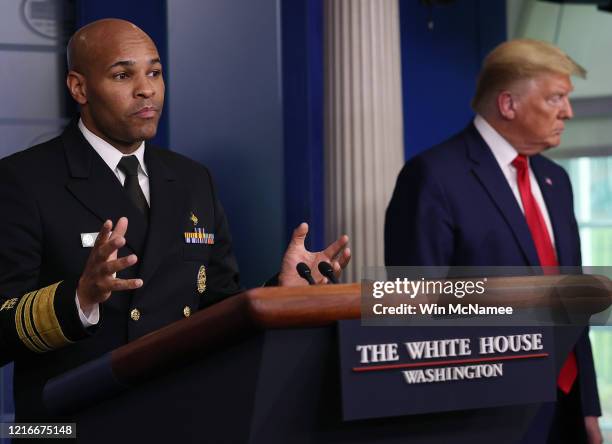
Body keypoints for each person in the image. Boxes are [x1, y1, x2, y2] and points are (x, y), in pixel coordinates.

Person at [0, 18, 350, 419]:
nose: (146, 88)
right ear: (79, 87)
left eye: (155, 72)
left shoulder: (191, 178)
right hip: (76, 425)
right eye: (122, 74)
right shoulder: (23, 180)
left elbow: (216, 309)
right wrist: (79, 300)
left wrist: (280, 291)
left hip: (179, 416)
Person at [385, 39, 601, 443]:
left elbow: (574, 301)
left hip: (565, 410)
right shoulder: (432, 178)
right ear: (508, 105)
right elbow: (414, 314)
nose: (568, 112)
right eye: (556, 98)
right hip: (480, 417)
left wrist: (588, 407)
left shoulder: (558, 181)